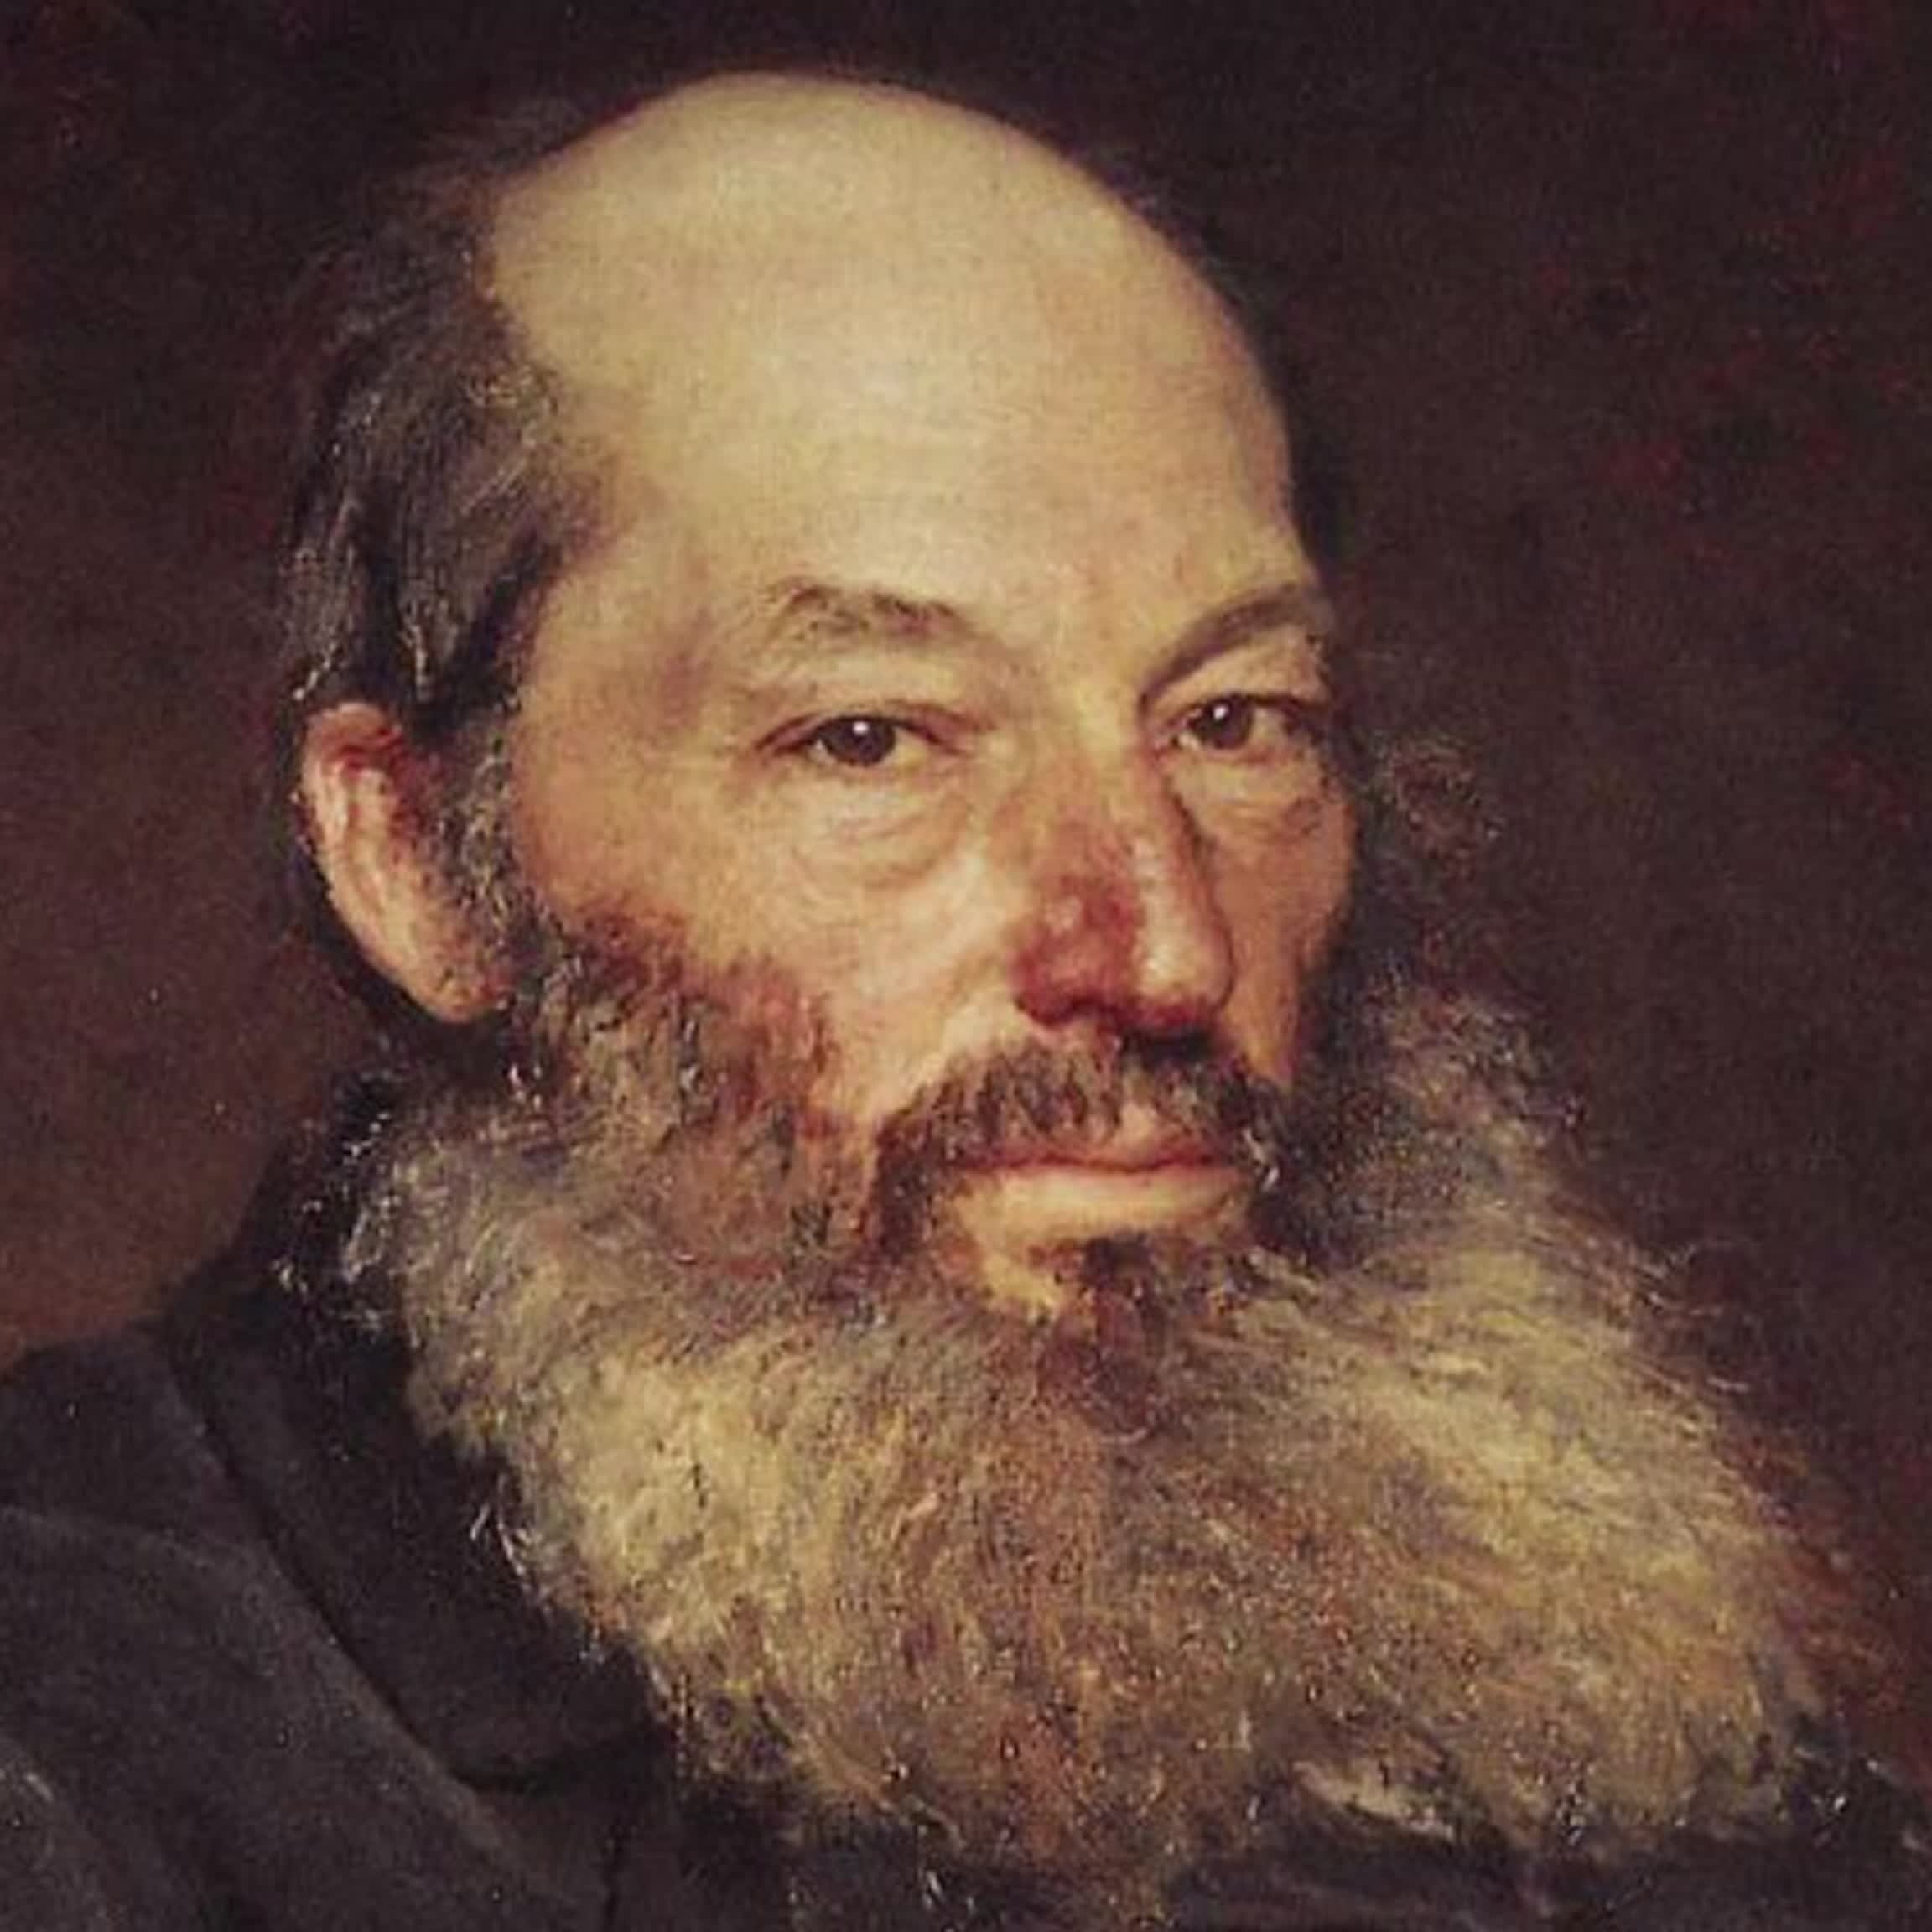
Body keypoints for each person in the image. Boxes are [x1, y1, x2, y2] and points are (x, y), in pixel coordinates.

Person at [0, 70, 1924, 1932]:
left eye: (1235, 721)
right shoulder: (75, 1737)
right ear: (421, 857)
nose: (1163, 952)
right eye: (874, 738)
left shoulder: (1575, 1681)